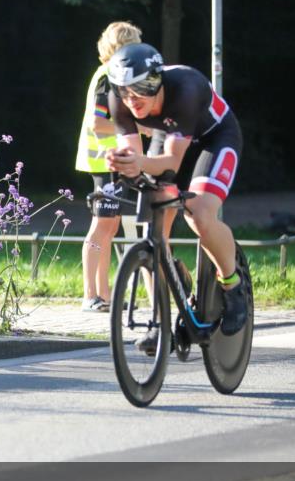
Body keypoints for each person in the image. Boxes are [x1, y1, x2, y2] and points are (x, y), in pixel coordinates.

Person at [104, 42, 248, 348]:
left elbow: (170, 162)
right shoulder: (117, 100)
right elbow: (134, 154)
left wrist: (139, 163)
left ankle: (232, 285)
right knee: (153, 229)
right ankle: (163, 315)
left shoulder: (186, 87)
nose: (132, 99)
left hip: (213, 140)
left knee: (199, 214)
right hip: (169, 138)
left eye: (141, 89)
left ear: (157, 81)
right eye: (124, 91)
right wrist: (122, 161)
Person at [75, 22, 143, 312]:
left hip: (109, 160)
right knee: (102, 225)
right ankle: (91, 295)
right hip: (104, 161)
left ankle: (104, 295)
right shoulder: (107, 76)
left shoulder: (113, 75)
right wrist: (137, 128)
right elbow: (97, 121)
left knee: (109, 225)